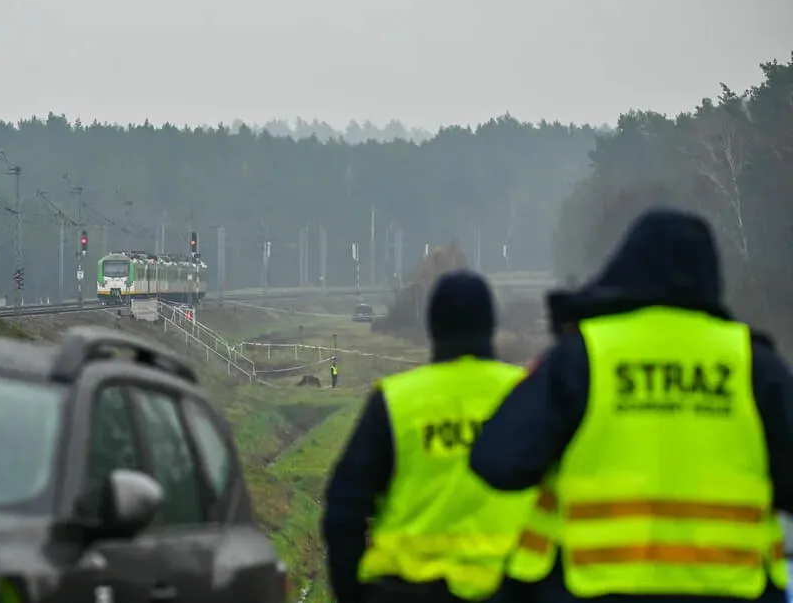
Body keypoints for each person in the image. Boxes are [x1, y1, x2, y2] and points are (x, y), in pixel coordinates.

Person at [471, 207, 793, 603]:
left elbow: (498, 462)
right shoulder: (754, 364)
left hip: (593, 587)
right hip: (732, 591)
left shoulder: (584, 357)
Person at [322, 271, 537, 603]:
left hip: (404, 591)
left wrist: (352, 593)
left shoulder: (395, 401)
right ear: (491, 326)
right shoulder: (529, 394)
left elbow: (343, 510)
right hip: (512, 588)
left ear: (432, 327)